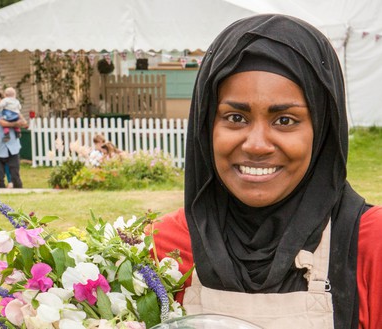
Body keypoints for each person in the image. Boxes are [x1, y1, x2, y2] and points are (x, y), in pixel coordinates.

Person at [152, 14, 382, 329]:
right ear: (206, 125)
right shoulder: (166, 246)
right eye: (235, 117)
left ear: (322, 131)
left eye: (285, 120)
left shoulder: (372, 246)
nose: (257, 145)